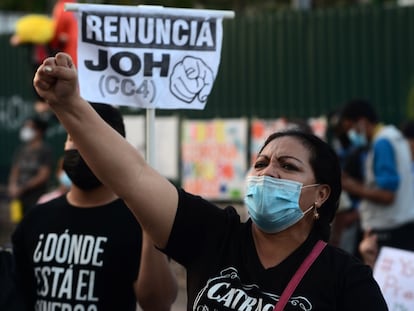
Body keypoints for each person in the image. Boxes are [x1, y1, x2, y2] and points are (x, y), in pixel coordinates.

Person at [33, 53, 388, 310]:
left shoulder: (347, 279)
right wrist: (69, 105)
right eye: (261, 163)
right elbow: (134, 176)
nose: (267, 172)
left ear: (321, 194)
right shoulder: (214, 234)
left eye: (288, 166)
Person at [12, 102, 177, 310]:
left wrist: (149, 226)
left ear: (117, 151)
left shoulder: (139, 223)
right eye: (73, 136)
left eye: (90, 139)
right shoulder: (36, 219)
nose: (80, 146)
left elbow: (158, 303)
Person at [340, 99, 414, 253]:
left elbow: (388, 195)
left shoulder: (382, 143)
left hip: (389, 232)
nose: (350, 135)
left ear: (361, 122)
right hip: (401, 226)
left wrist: (352, 187)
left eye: (350, 128)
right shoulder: (394, 136)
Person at [7, 116, 53, 217]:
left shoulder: (45, 150)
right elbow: (15, 169)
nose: (26, 130)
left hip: (35, 197)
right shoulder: (21, 149)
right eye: (25, 126)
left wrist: (23, 188)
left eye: (30, 127)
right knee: (18, 223)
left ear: (39, 131)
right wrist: (13, 186)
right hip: (18, 197)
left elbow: (43, 175)